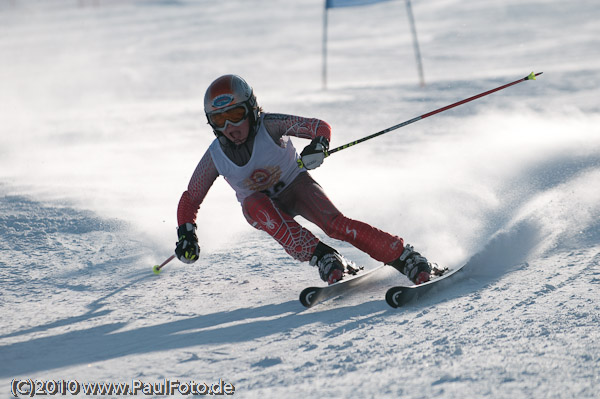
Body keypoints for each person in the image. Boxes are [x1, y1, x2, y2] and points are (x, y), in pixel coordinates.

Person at [175, 74, 431, 285]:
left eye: (236, 114)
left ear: (252, 109)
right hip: (261, 208)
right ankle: (324, 257)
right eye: (220, 119)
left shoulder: (270, 125)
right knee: (255, 203)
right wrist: (187, 234)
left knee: (336, 225)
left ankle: (404, 256)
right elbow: (191, 198)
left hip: (296, 186)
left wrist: (319, 145)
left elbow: (318, 126)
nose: (230, 126)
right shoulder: (215, 156)